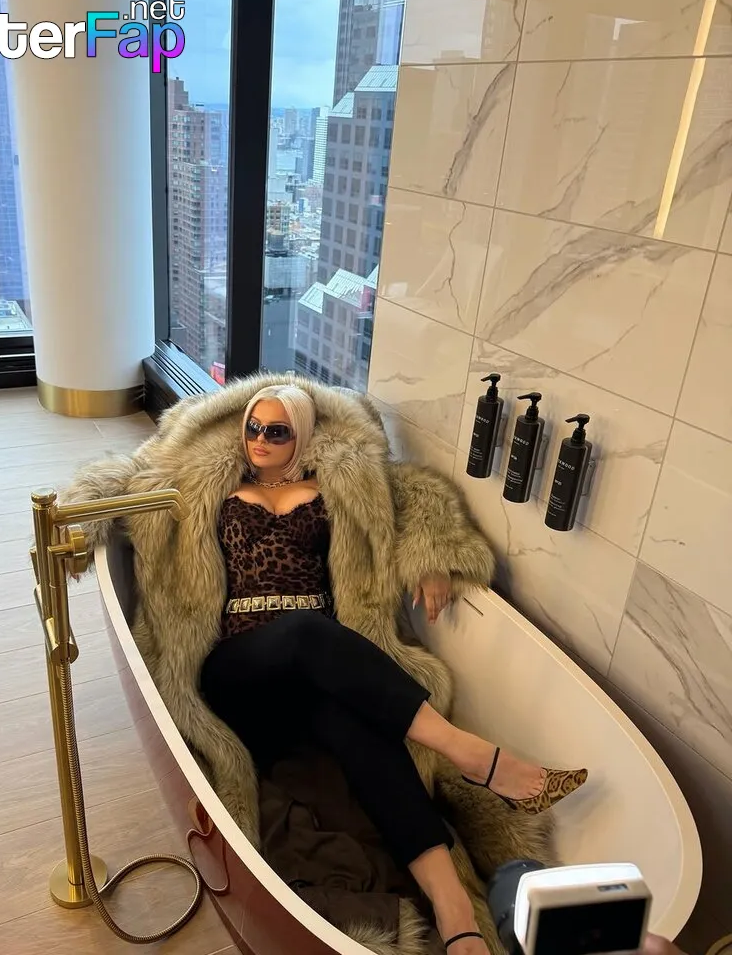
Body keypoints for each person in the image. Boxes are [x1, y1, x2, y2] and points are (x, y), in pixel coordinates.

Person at [198, 385, 589, 955]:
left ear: (301, 437)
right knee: (306, 631)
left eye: (276, 431)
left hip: (314, 675)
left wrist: (432, 557)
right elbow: (143, 484)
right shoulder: (217, 483)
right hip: (241, 669)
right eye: (253, 428)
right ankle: (471, 753)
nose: (260, 439)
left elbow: (416, 499)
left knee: (365, 735)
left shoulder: (335, 486)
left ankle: (456, 913)